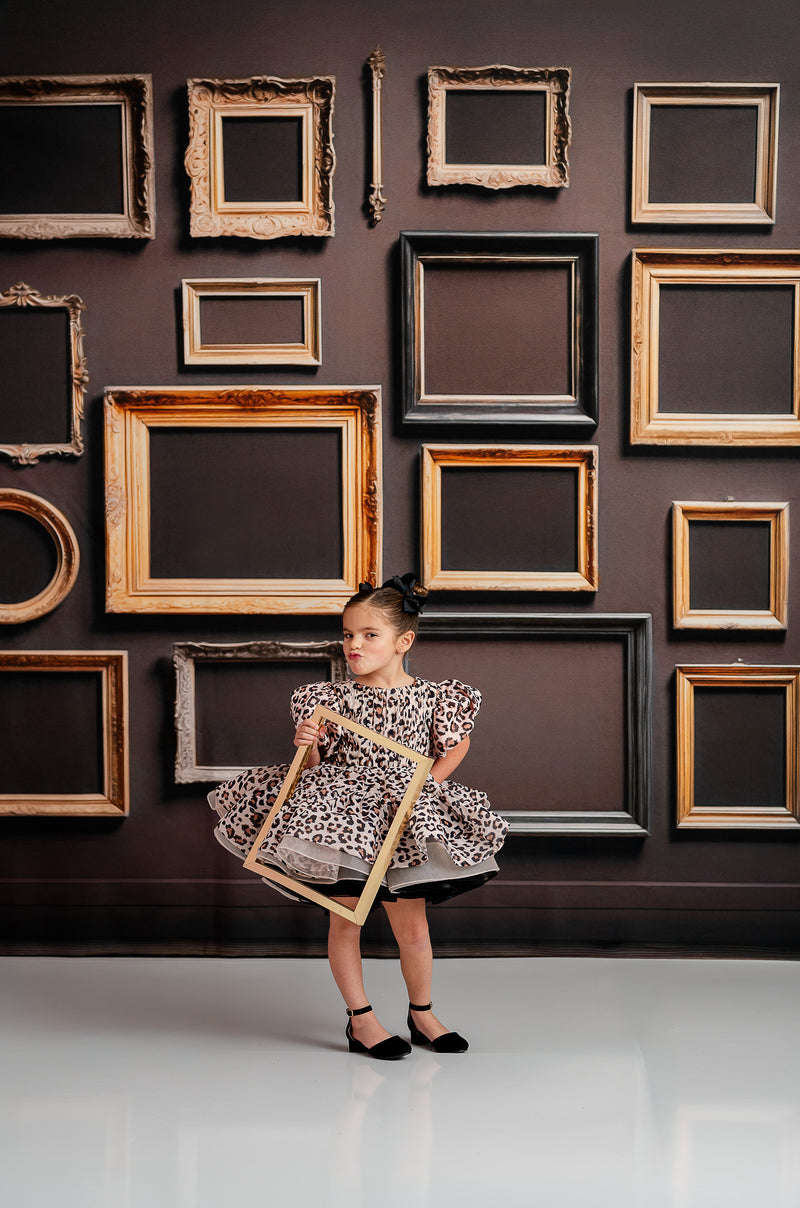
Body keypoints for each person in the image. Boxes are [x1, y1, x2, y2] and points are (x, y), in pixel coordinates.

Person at [209, 574, 508, 1059]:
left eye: (370, 634)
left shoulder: (434, 697)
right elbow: (314, 765)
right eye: (348, 634)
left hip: (403, 815)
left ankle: (422, 1014)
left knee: (412, 927)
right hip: (345, 819)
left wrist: (429, 782)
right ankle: (361, 1020)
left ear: (403, 642)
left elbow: (457, 744)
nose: (354, 645)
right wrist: (307, 745)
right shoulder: (330, 700)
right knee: (346, 918)